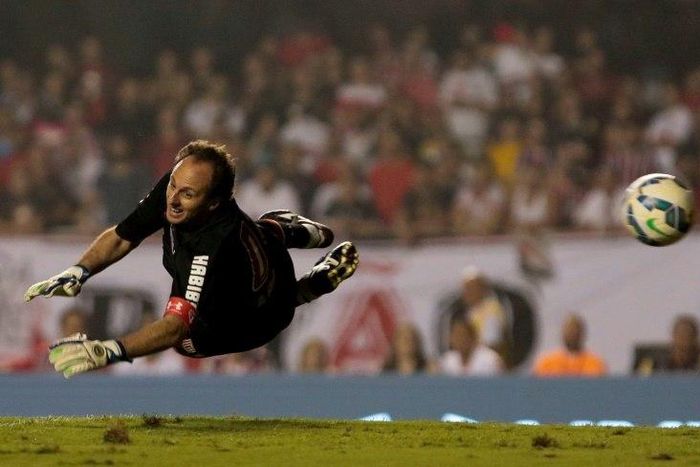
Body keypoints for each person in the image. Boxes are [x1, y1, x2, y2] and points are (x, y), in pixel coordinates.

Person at [24, 139, 359, 378]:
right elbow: (124, 236)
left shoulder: (211, 246)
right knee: (263, 230)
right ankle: (290, 230)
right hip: (262, 258)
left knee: (186, 343)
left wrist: (107, 350)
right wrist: (78, 271)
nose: (173, 200)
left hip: (261, 319)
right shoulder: (176, 188)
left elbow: (173, 329)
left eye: (188, 194)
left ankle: (309, 286)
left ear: (214, 203)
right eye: (173, 185)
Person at [532, 314, 606, 377]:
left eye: (574, 331)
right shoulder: (546, 364)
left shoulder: (596, 364)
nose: (572, 334)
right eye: (569, 330)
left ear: (582, 334)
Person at [438, 320, 503, 376]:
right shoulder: (448, 360)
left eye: (462, 336)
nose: (459, 340)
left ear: (473, 338)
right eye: (455, 336)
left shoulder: (490, 359)